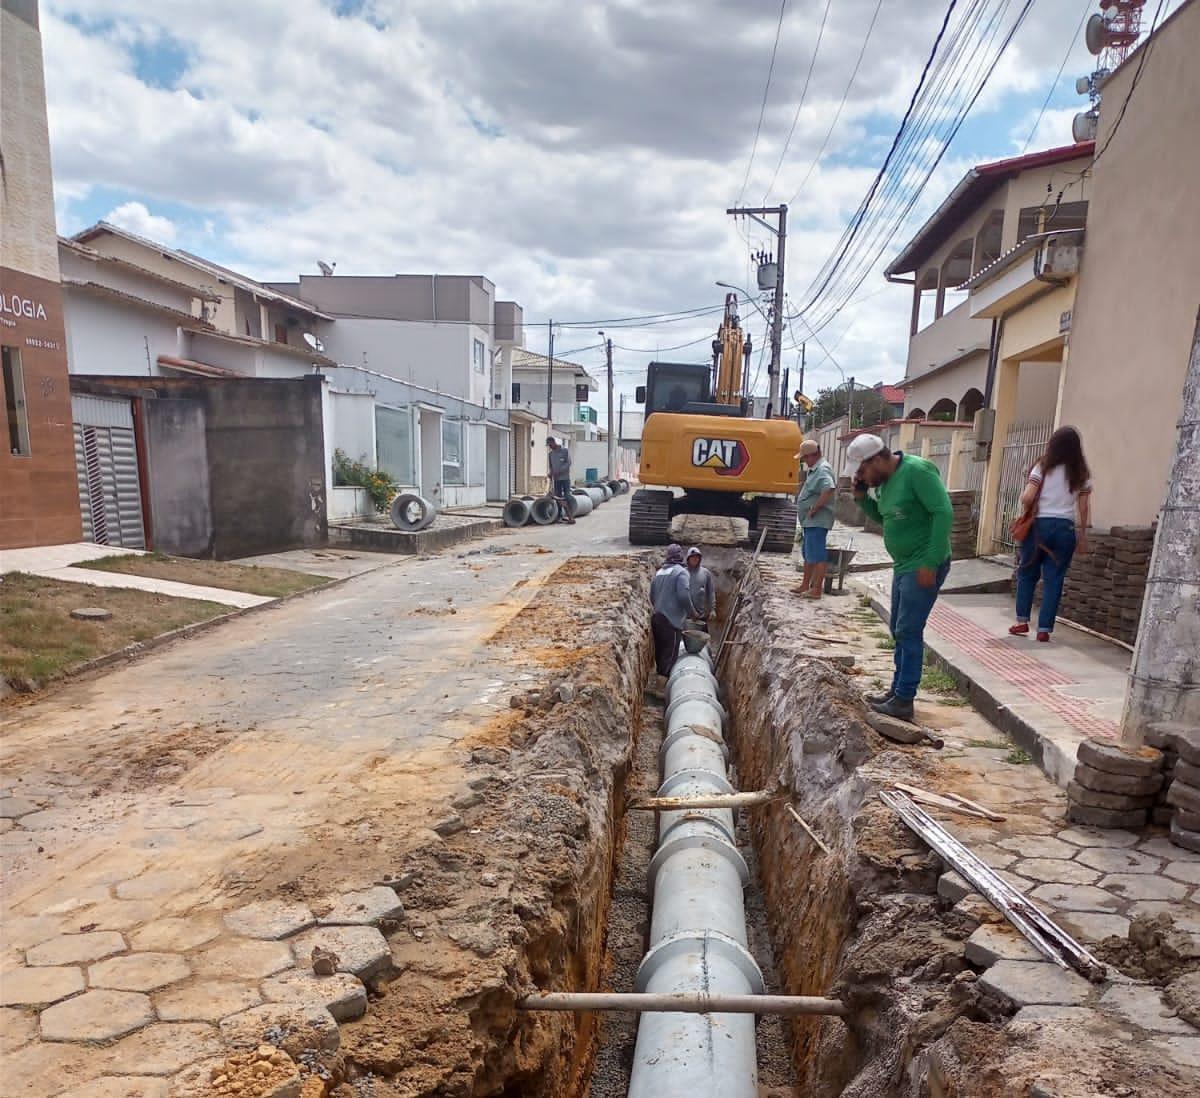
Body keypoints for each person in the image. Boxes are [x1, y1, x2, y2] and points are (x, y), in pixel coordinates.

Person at [847, 433, 952, 722]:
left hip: (923, 563)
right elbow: (887, 519)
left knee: (909, 629)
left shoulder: (918, 471)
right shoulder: (884, 484)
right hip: (904, 564)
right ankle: (896, 692)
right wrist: (862, 500)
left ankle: (904, 700)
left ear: (877, 460)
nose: (860, 477)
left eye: (862, 471)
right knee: (898, 628)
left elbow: (943, 512)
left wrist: (931, 562)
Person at [1009, 426, 1092, 642]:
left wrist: (1025, 504)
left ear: (1052, 445)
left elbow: (1028, 497)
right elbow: (1083, 507)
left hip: (1039, 527)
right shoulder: (1081, 472)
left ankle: (1022, 621)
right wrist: (1083, 535)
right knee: (1054, 579)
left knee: (1027, 573)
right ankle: (1044, 629)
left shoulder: (1042, 467)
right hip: (1065, 529)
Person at [795, 440, 837, 599]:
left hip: (817, 520)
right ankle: (805, 585)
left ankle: (817, 589)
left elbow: (828, 488)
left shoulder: (822, 469)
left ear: (813, 455)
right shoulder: (815, 470)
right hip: (810, 521)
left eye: (805, 458)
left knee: (817, 555)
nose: (805, 461)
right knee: (808, 553)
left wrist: (815, 508)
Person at [650, 544, 692, 678]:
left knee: (660, 652)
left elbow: (652, 596)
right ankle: (664, 683)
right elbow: (684, 596)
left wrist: (660, 606)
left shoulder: (659, 572)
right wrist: (691, 611)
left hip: (657, 617)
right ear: (680, 556)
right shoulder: (681, 572)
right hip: (671, 621)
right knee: (670, 655)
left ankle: (659, 679)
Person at [546, 436, 575, 524]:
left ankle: (571, 514)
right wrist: (550, 473)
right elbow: (551, 467)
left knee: (567, 496)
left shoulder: (565, 451)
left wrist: (559, 471)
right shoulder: (551, 454)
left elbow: (568, 463)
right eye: (548, 445)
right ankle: (559, 515)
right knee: (557, 496)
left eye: (550, 445)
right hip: (556, 480)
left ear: (554, 442)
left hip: (565, 479)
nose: (549, 447)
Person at [685, 546, 716, 629]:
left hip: (701, 616)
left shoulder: (706, 573)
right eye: (692, 557)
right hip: (685, 617)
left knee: (703, 636)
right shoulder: (683, 573)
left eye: (697, 557)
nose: (695, 559)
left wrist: (712, 609)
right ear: (688, 559)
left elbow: (711, 592)